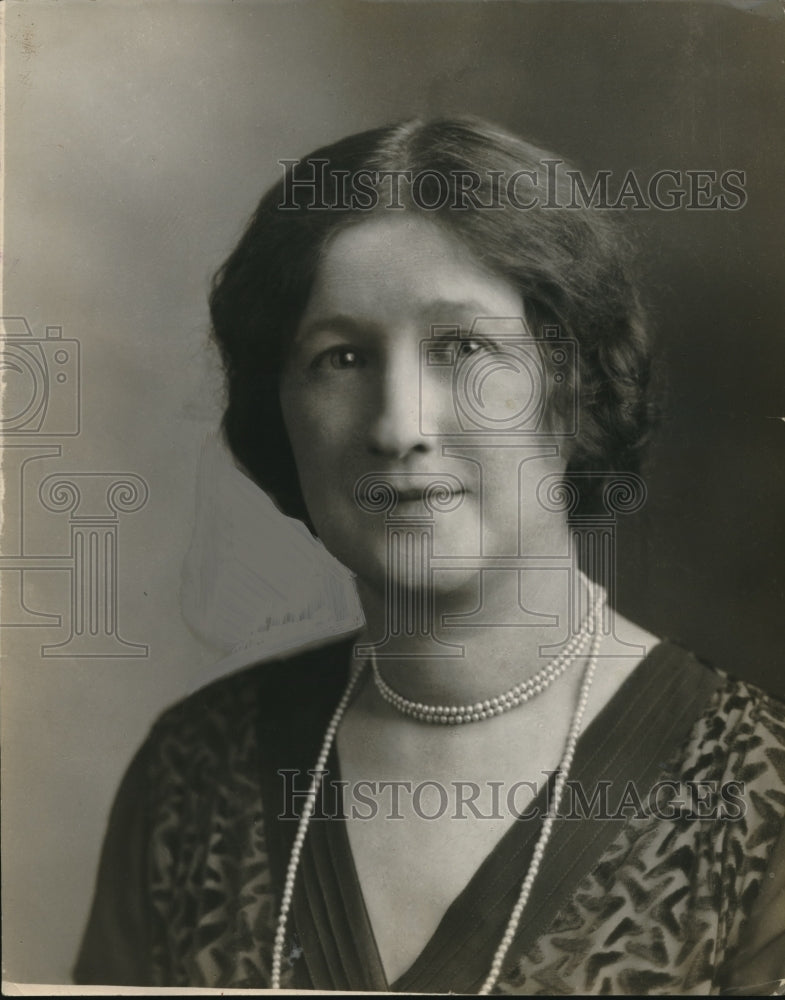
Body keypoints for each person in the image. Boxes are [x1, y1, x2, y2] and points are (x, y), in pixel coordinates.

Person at [75, 117, 785, 994]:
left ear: (576, 389)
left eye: (463, 349)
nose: (398, 425)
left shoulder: (758, 795)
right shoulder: (193, 774)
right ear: (281, 413)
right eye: (339, 358)